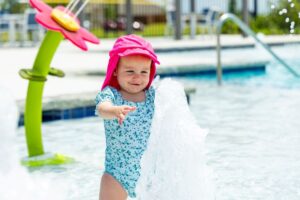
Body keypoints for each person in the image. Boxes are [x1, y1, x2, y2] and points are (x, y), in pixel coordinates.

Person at [95, 34, 160, 200]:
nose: (137, 77)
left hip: (149, 174)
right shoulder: (111, 94)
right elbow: (102, 108)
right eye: (130, 71)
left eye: (144, 71)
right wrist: (114, 110)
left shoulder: (153, 96)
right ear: (116, 70)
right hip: (116, 174)